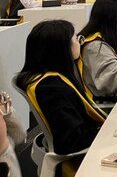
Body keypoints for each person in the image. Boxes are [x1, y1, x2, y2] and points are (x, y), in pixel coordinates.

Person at [15, 20, 105, 165]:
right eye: (76, 38)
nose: (80, 42)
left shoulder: (46, 79)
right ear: (62, 49)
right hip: (82, 159)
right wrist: (109, 131)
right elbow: (71, 141)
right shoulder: (52, 88)